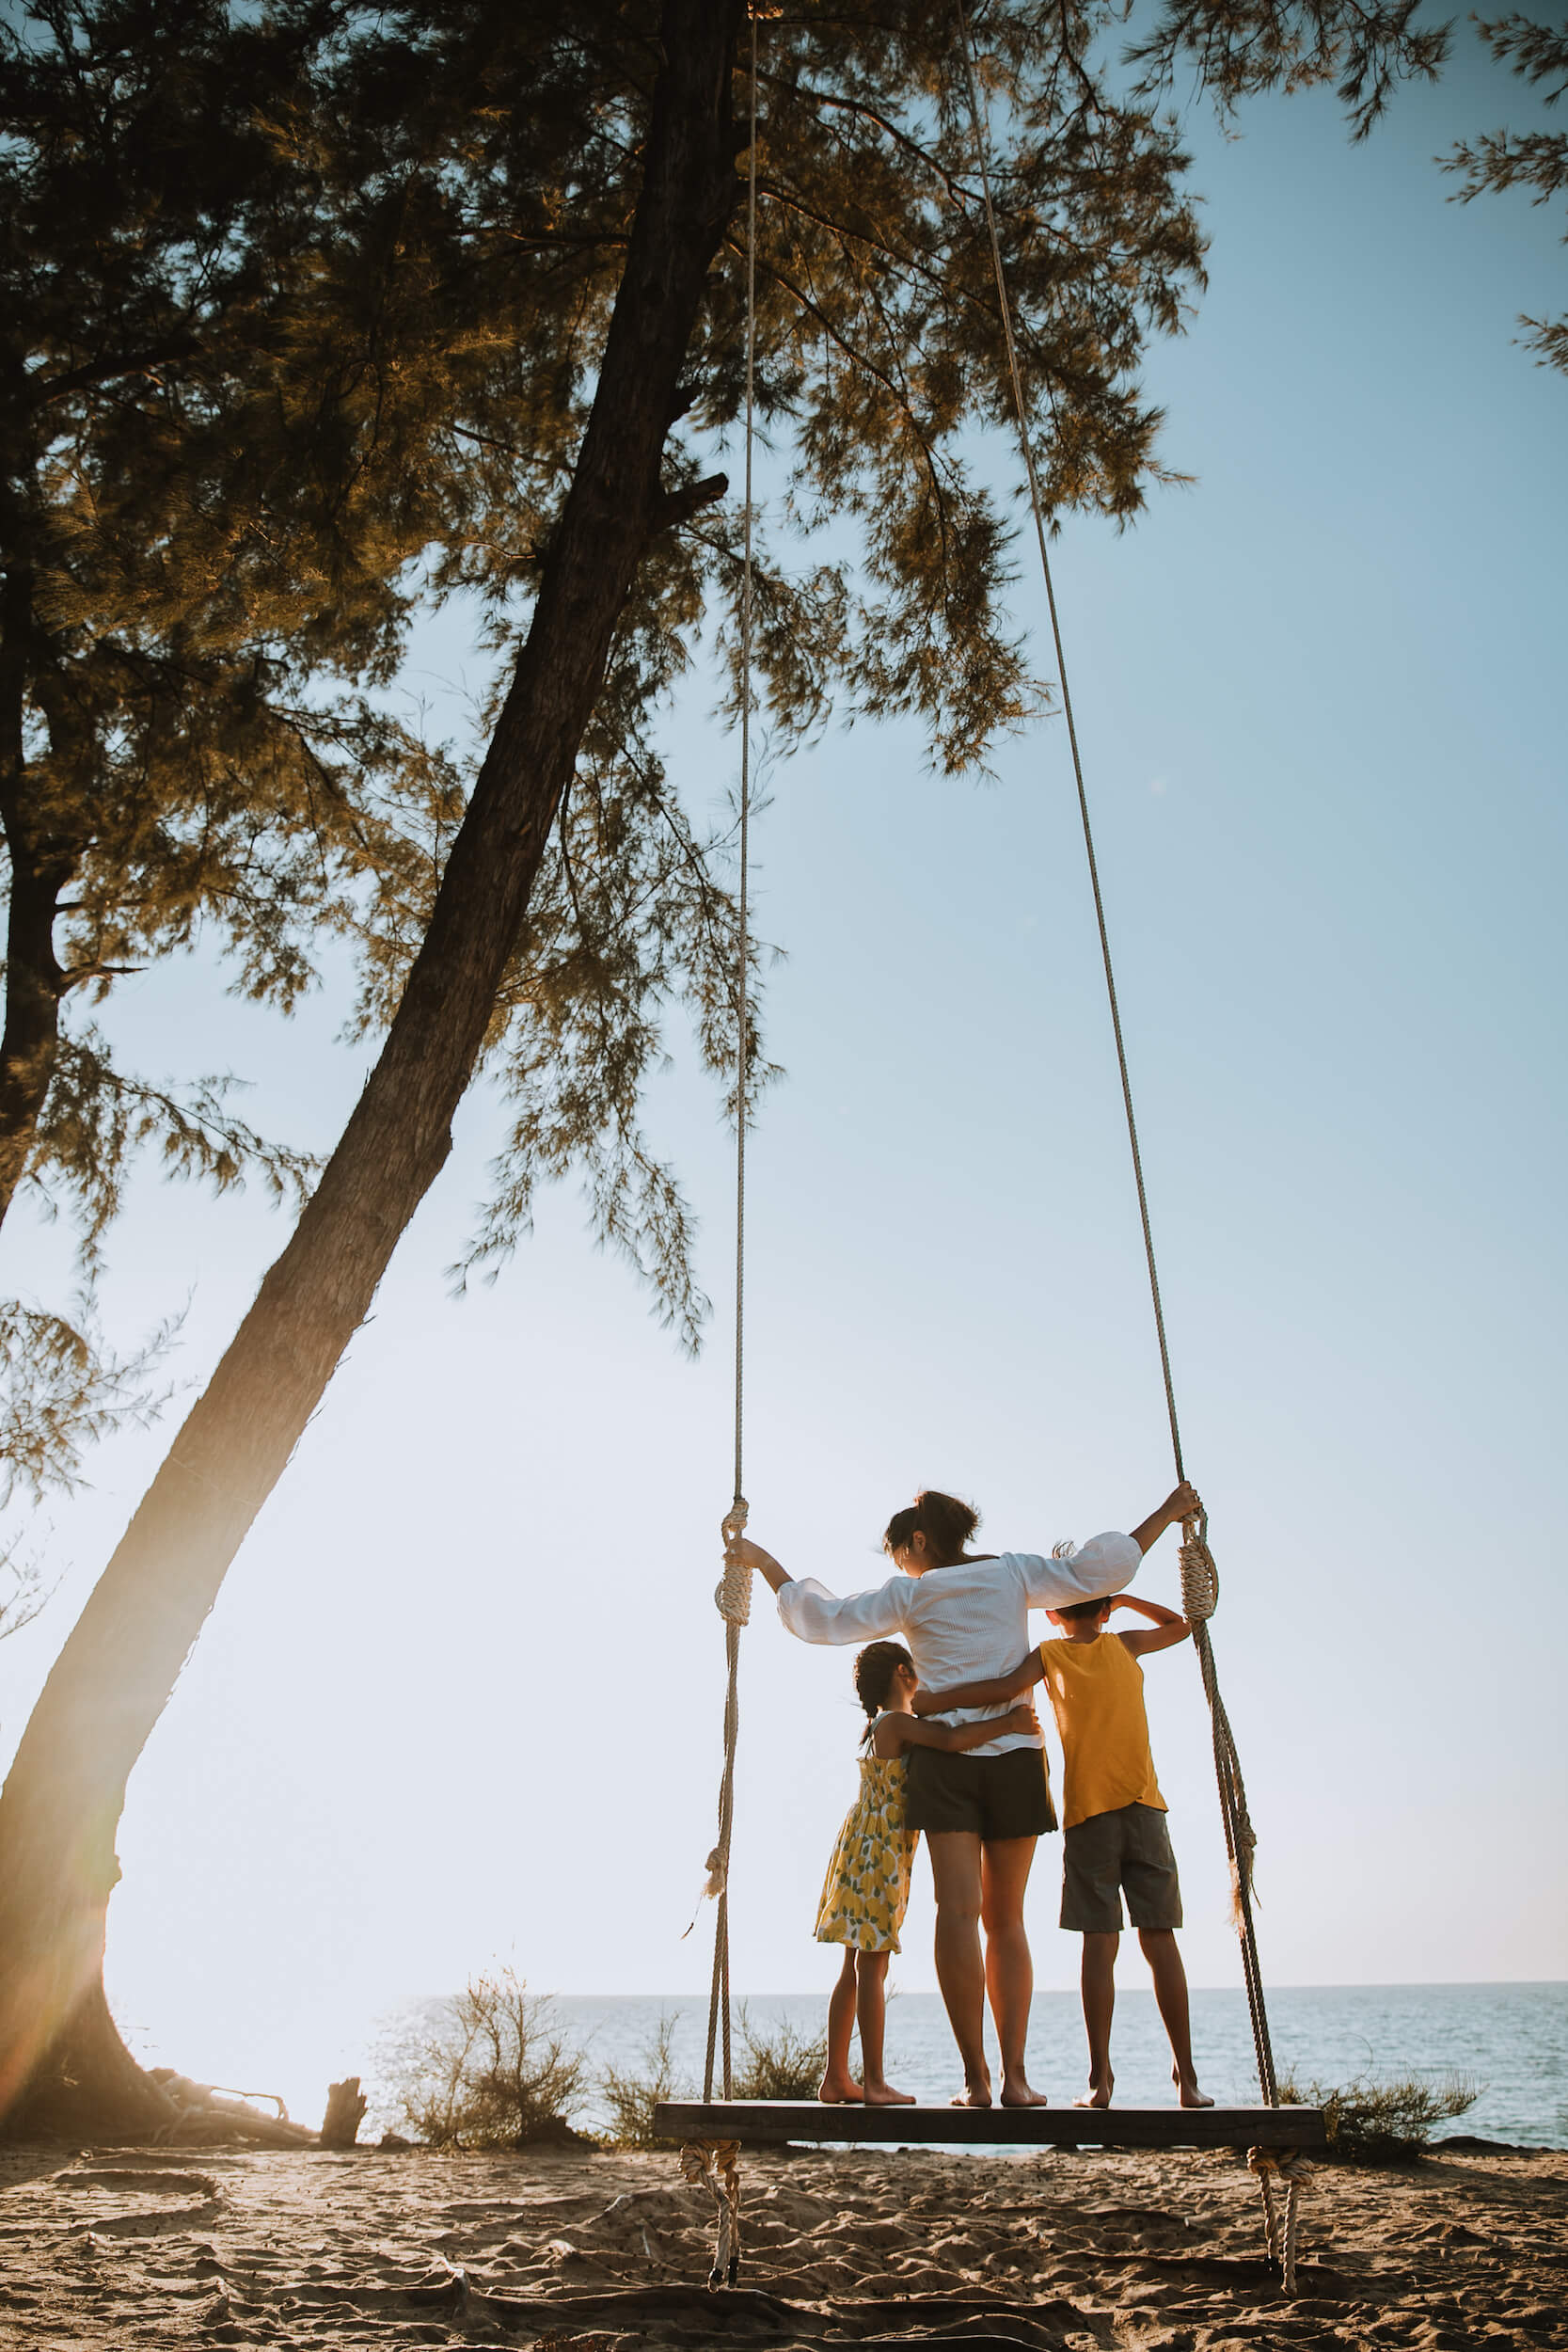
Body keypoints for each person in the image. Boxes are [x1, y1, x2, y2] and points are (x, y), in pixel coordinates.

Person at [732, 1478, 1199, 2107]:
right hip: (1013, 1756)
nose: (899, 1563)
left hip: (944, 1764)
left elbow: (823, 1619)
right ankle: (1015, 2080)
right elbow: (1100, 1571)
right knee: (1004, 1921)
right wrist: (1168, 1512)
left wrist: (762, 1562)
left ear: (918, 1541)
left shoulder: (908, 1593)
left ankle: (975, 2081)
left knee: (956, 1916)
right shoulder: (1014, 1575)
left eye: (898, 1550)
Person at [913, 1586, 1212, 2109]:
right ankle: (1156, 2077)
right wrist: (1123, 1600)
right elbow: (1180, 1623)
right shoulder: (1085, 1650)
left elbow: (1000, 1689)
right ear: (1099, 1608)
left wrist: (938, 1701)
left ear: (1051, 1613)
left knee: (1112, 1943)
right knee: (1139, 1940)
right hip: (1118, 1813)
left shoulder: (1115, 1647)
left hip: (1120, 1811)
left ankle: (1124, 2079)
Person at [816, 1639, 1040, 2106]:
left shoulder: (880, 1724)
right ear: (904, 1673)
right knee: (871, 1966)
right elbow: (953, 1740)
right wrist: (1010, 1722)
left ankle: (836, 2077)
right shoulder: (899, 1723)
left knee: (852, 1967)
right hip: (879, 1852)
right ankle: (874, 2083)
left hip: (861, 1845)